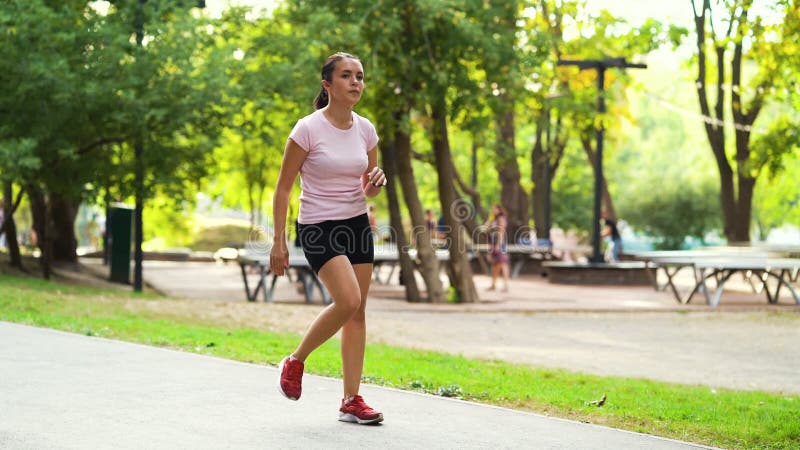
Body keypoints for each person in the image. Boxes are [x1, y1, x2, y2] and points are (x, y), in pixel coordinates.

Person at [270, 52, 386, 425]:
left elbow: (369, 189)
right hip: (318, 226)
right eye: (347, 76)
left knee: (358, 312)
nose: (356, 82)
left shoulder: (366, 130)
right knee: (348, 300)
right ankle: (296, 360)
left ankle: (351, 400)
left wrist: (375, 184)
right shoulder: (307, 129)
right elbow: (283, 188)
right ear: (327, 85)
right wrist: (278, 241)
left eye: (360, 76)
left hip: (355, 224)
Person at [486, 204, 510, 292]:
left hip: (499, 243)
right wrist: (490, 218)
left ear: (499, 210)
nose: (493, 211)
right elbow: (486, 227)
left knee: (503, 263)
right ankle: (493, 284)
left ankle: (506, 284)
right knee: (495, 264)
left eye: (494, 209)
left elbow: (501, 232)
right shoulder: (494, 220)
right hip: (493, 243)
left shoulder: (501, 219)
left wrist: (498, 245)